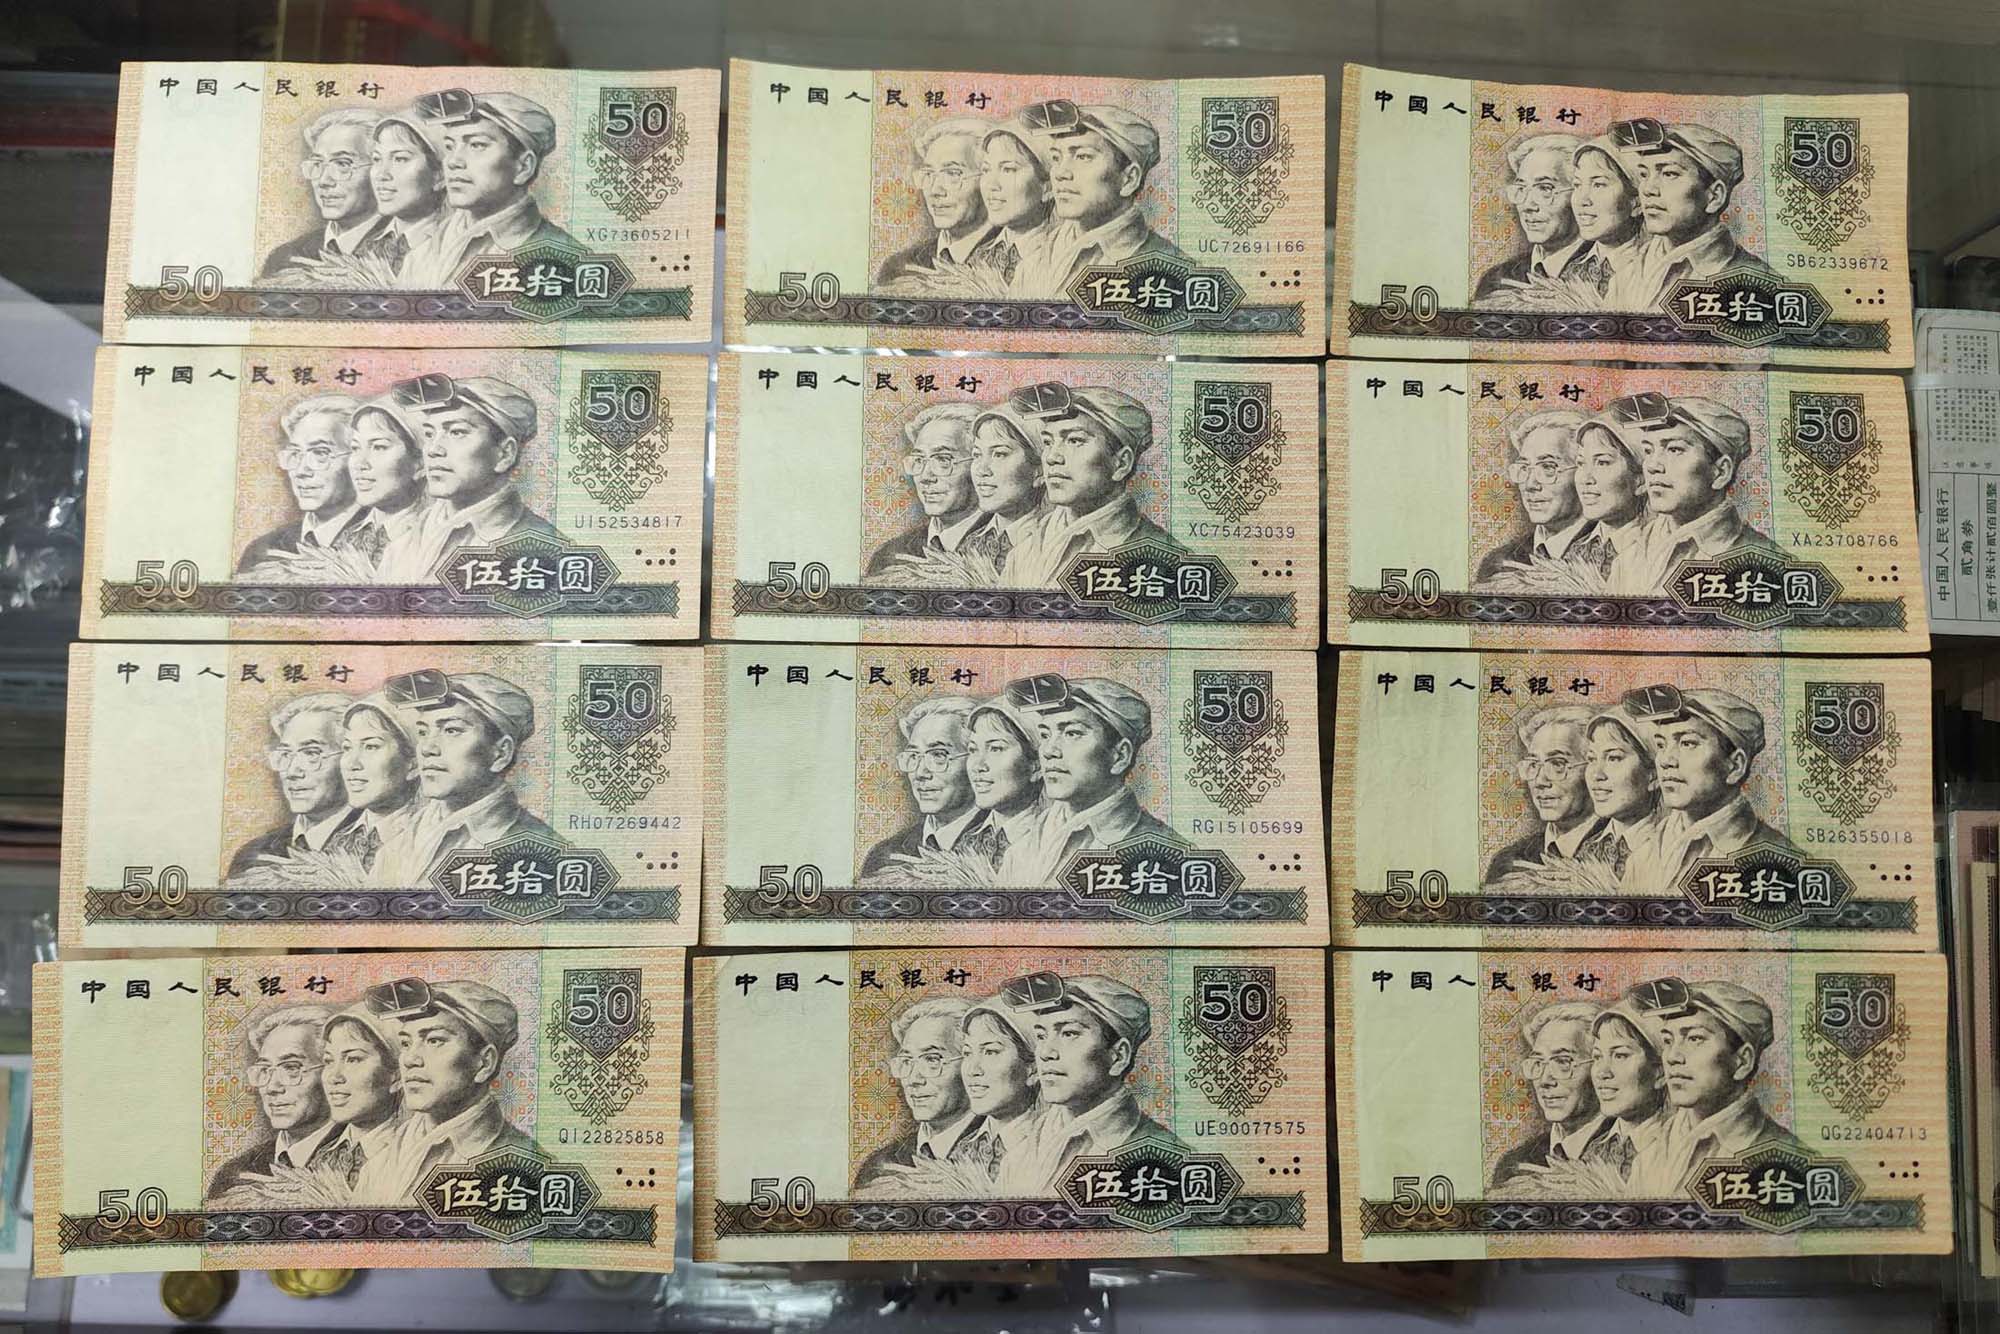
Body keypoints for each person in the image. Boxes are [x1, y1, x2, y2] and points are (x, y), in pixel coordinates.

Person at [1007, 971, 1185, 1187]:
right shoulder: (1024, 1142)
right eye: (1041, 1036)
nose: (1045, 1052)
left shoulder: (1167, 1158)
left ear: (1118, 1056)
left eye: (1069, 1033)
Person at [365, 976, 533, 1203]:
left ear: (484, 1063)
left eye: (434, 1041)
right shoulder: (384, 1152)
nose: (410, 1059)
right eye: (405, 1043)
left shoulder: (522, 1164)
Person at [1627, 977, 1800, 1194]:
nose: (1672, 1057)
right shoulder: (1652, 1151)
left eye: (1694, 1039)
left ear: (1742, 1061)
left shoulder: (1786, 1158)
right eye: (1668, 1041)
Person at [378, 373, 556, 582]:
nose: (433, 449)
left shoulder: (543, 549)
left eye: (457, 432)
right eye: (429, 434)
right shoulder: (405, 541)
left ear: (505, 454)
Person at [1619, 685, 1804, 886]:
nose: (1665, 760)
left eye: (1687, 743)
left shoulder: (1782, 862)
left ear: (1735, 766)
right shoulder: (1644, 852)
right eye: (1661, 745)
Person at [385, 669, 552, 883]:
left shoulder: (538, 850)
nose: (426, 748)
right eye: (423, 732)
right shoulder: (406, 831)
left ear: (500, 753)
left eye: (451, 730)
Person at [1006, 381, 1180, 584]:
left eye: (1074, 440)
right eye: (1047, 442)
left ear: (1121, 463)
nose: (1052, 457)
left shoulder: (1164, 558)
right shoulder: (1028, 544)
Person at [399, 89, 578, 287]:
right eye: (450, 146)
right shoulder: (422, 253)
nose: (453, 161)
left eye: (476, 145)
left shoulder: (564, 259)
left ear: (523, 167)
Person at [1021, 99, 1186, 284]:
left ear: (1129, 179)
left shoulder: (1171, 269)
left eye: (1083, 156)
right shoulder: (1038, 254)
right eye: (1056, 158)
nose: (1060, 173)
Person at [1618, 394, 1775, 588]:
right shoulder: (1632, 549)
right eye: (1649, 451)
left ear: (1721, 472)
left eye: (1674, 449)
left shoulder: (1764, 562)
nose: (1652, 466)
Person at [1008, 673, 1171, 857]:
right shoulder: (1029, 839)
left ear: (1120, 756)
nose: (1048, 751)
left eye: (1072, 733)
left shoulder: (1159, 850)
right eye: (1045, 735)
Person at [1615, 118, 1774, 297]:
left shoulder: (1758, 284)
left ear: (1714, 196)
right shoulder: (1628, 270)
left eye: (1669, 174)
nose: (1647, 189)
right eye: (1644, 174)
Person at [228, 693, 365, 877]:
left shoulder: (376, 848)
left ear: (349, 758)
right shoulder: (253, 855)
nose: (292, 772)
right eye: (285, 754)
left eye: (311, 753)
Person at [208, 1004, 339, 1197]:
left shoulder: (362, 1164)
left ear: (331, 1072)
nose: (272, 1087)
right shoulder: (235, 1174)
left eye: (292, 1068)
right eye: (264, 1069)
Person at [236, 393, 374, 572]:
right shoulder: (262, 551)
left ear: (357, 459)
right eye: (295, 453)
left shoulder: (386, 545)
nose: (301, 471)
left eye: (321, 453)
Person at [853, 996, 978, 1191]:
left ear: (971, 1064)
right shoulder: (880, 1165)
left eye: (932, 1059)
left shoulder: (1001, 1156)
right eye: (906, 1061)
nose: (913, 1079)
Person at [1491, 1000, 1611, 1187]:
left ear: (1599, 1067)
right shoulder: (1514, 1164)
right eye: (1538, 1063)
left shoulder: (1629, 1154)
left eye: (1563, 1062)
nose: (1545, 1081)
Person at [260, 108, 388, 278]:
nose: (324, 181)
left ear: (379, 170)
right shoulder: (285, 257)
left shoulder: (405, 253)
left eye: (343, 164)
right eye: (317, 164)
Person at [861, 697, 980, 876]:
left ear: (975, 760)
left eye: (939, 755)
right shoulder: (884, 856)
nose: (920, 773)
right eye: (914, 755)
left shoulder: (1004, 848)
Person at [877, 119, 1001, 286]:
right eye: (928, 173)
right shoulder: (899, 267)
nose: (935, 190)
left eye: (953, 173)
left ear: (988, 180)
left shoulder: (1016, 263)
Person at [1485, 705, 1602, 882]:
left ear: (1593, 768)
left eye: (1558, 764)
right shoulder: (1508, 862)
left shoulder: (1623, 854)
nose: (1540, 781)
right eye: (1533, 764)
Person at [866, 403, 983, 576]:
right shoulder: (890, 556)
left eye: (943, 459)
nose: (925, 477)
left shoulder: (1008, 550)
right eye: (919, 460)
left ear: (979, 464)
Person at [1476, 409, 1588, 582]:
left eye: (1548, 467)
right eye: (1524, 468)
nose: (1530, 485)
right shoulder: (1499, 563)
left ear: (1583, 473)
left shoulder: (1613, 558)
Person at [1475, 133, 1586, 301]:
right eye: (1521, 188)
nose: (1527, 206)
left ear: (1579, 194)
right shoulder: (1496, 280)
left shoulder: (1606, 276)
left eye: (1545, 188)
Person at [956, 997, 1045, 1189]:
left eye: (990, 1052)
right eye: (967, 1053)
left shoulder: (1049, 1147)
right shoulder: (962, 1149)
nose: (972, 1070)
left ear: (1033, 1069)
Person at [1563, 404, 1654, 587]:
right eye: (1581, 463)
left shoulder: (1656, 551)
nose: (1585, 479)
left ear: (1641, 481)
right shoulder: (1575, 551)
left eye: (1602, 463)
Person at [316, 1004, 405, 1190]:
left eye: (353, 1059)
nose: (334, 1077)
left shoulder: (411, 1156)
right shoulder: (320, 1158)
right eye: (328, 1060)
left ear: (396, 1076)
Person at [1582, 1002, 1671, 1183]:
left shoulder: (1677, 1149)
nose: (1602, 1073)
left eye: (1620, 1055)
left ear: (1660, 1072)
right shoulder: (1592, 1151)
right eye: (1597, 1057)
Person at [338, 694, 422, 879]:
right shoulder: (338, 841)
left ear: (413, 764)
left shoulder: (427, 841)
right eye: (347, 747)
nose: (352, 764)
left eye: (371, 747)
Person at [963, 402, 1051, 580]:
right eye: (977, 455)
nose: (982, 470)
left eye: (999, 454)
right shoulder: (970, 543)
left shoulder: (1052, 543)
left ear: (1039, 471)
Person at [360, 109, 449, 276]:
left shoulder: (453, 247)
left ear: (439, 175)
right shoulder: (365, 247)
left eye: (400, 159)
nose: (381, 175)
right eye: (377, 159)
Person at [962, 694, 1048, 867]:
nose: (978, 766)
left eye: (996, 748)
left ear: (1036, 765)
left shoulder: (1051, 842)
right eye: (973, 750)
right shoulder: (966, 842)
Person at [1576, 709, 1662, 879]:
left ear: (1653, 775)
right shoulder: (1587, 849)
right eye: (1591, 759)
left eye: (1614, 758)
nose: (1596, 775)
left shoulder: (1668, 849)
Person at [1566, 136, 1650, 307]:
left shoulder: (1651, 271)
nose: (1582, 200)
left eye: (1598, 185)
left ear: (1636, 202)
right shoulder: (1572, 270)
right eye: (1577, 185)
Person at [345, 396, 430, 561]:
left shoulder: (434, 538)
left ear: (420, 463)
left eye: (379, 447)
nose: (360, 464)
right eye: (355, 448)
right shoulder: (346, 538)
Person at [977, 122, 1056, 286]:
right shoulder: (978, 257)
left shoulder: (1061, 258)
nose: (991, 185)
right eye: (986, 170)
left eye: (1008, 170)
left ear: (1047, 187)